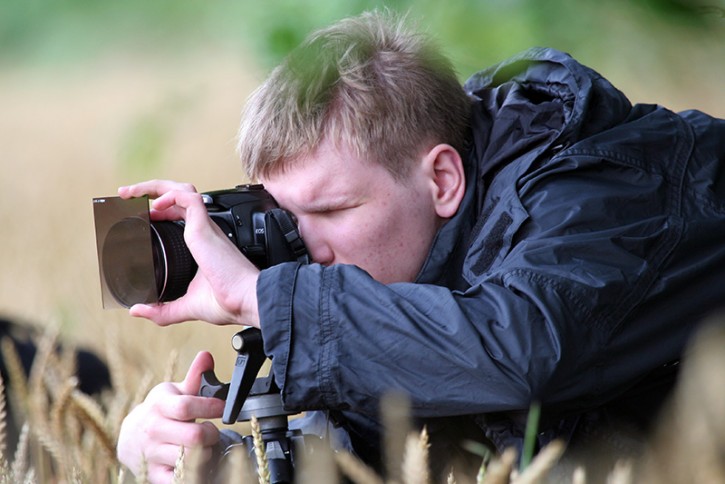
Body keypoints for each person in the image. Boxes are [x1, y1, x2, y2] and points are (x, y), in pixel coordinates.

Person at [115, 10, 725, 483]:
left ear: (442, 180)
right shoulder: (416, 265)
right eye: (284, 213)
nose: (303, 244)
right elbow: (407, 439)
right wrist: (208, 455)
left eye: (330, 209)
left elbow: (525, 352)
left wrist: (268, 301)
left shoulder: (602, 190)